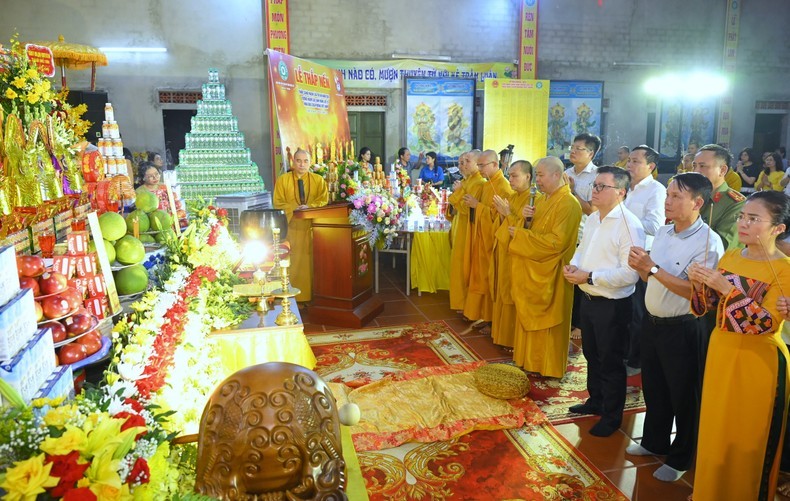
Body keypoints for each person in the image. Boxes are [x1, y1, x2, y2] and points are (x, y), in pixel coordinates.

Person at [687, 191, 790, 500]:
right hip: (722, 351)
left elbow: (766, 323)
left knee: (749, 440)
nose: (743, 223)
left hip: (759, 361)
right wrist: (699, 283)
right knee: (716, 431)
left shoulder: (784, 268)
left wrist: (724, 287)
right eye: (743, 216)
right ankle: (709, 492)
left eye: (754, 219)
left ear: (778, 228)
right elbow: (710, 306)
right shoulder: (731, 256)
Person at [625, 173, 724, 483]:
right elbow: (649, 276)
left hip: (683, 327)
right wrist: (642, 266)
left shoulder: (708, 242)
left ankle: (682, 456)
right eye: (667, 195)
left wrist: (652, 268)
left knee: (684, 394)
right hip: (653, 324)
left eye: (676, 197)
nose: (667, 201)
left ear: (697, 202)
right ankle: (655, 441)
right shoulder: (666, 232)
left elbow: (696, 294)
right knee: (655, 388)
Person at [563, 166, 646, 437]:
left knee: (610, 361)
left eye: (602, 187)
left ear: (621, 192)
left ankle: (612, 417)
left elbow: (630, 273)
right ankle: (595, 401)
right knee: (592, 355)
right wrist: (574, 267)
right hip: (589, 297)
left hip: (612, 305)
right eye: (595, 185)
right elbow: (582, 249)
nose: (594, 191)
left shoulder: (629, 225)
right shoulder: (596, 218)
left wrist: (589, 276)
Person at [509, 157, 582, 376]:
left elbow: (556, 243)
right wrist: (524, 220)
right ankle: (527, 361)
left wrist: (521, 235)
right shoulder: (541, 200)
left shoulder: (569, 204)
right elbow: (534, 231)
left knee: (549, 322)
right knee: (527, 317)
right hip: (533, 268)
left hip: (552, 272)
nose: (536, 180)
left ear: (556, 175)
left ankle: (547, 366)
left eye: (540, 175)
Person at [623, 145, 667, 375]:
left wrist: (625, 220)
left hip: (642, 256)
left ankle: (636, 360)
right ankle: (624, 351)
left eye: (635, 161)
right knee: (623, 308)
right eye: (629, 160)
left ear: (650, 166)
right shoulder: (624, 187)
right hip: (621, 254)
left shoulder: (655, 190)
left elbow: (655, 225)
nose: (629, 165)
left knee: (638, 310)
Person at [463, 149, 514, 329]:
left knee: (490, 278)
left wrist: (477, 206)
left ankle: (492, 318)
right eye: (478, 165)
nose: (480, 169)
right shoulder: (488, 184)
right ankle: (485, 316)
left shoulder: (503, 186)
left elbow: (500, 218)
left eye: (482, 165)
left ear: (494, 164)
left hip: (493, 240)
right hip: (482, 237)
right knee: (482, 278)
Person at [272, 148, 329, 302]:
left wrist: (309, 206)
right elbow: (278, 202)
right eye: (298, 160)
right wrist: (293, 208)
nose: (302, 164)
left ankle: (311, 296)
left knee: (311, 262)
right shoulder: (283, 180)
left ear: (310, 163)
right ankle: (291, 297)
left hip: (311, 228)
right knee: (292, 261)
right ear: (293, 162)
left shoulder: (318, 180)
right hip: (292, 227)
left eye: (305, 161)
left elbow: (323, 200)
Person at [490, 160, 534, 348]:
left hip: (517, 254)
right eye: (510, 175)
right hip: (505, 250)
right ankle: (503, 335)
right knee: (503, 290)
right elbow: (504, 224)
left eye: (515, 176)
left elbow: (526, 230)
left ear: (528, 177)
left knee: (511, 293)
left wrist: (507, 213)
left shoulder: (534, 199)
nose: (511, 179)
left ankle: (511, 338)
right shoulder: (515, 196)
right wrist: (503, 214)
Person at [565, 133, 601, 340]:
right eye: (572, 146)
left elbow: (592, 210)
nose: (573, 151)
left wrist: (571, 192)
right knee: (566, 277)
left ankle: (580, 324)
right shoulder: (565, 172)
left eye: (579, 148)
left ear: (591, 153)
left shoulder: (597, 177)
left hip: (584, 235)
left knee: (581, 282)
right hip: (564, 233)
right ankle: (568, 319)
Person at [447, 150, 485, 312]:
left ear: (478, 163)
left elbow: (466, 208)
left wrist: (459, 191)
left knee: (464, 266)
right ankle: (461, 303)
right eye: (461, 162)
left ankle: (465, 305)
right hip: (460, 227)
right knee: (458, 265)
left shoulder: (478, 183)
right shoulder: (467, 181)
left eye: (467, 161)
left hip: (468, 230)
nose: (462, 166)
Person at [693, 144, 746, 250]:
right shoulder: (691, 196)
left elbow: (723, 246)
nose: (696, 171)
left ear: (722, 170)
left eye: (702, 166)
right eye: (694, 166)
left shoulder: (736, 203)